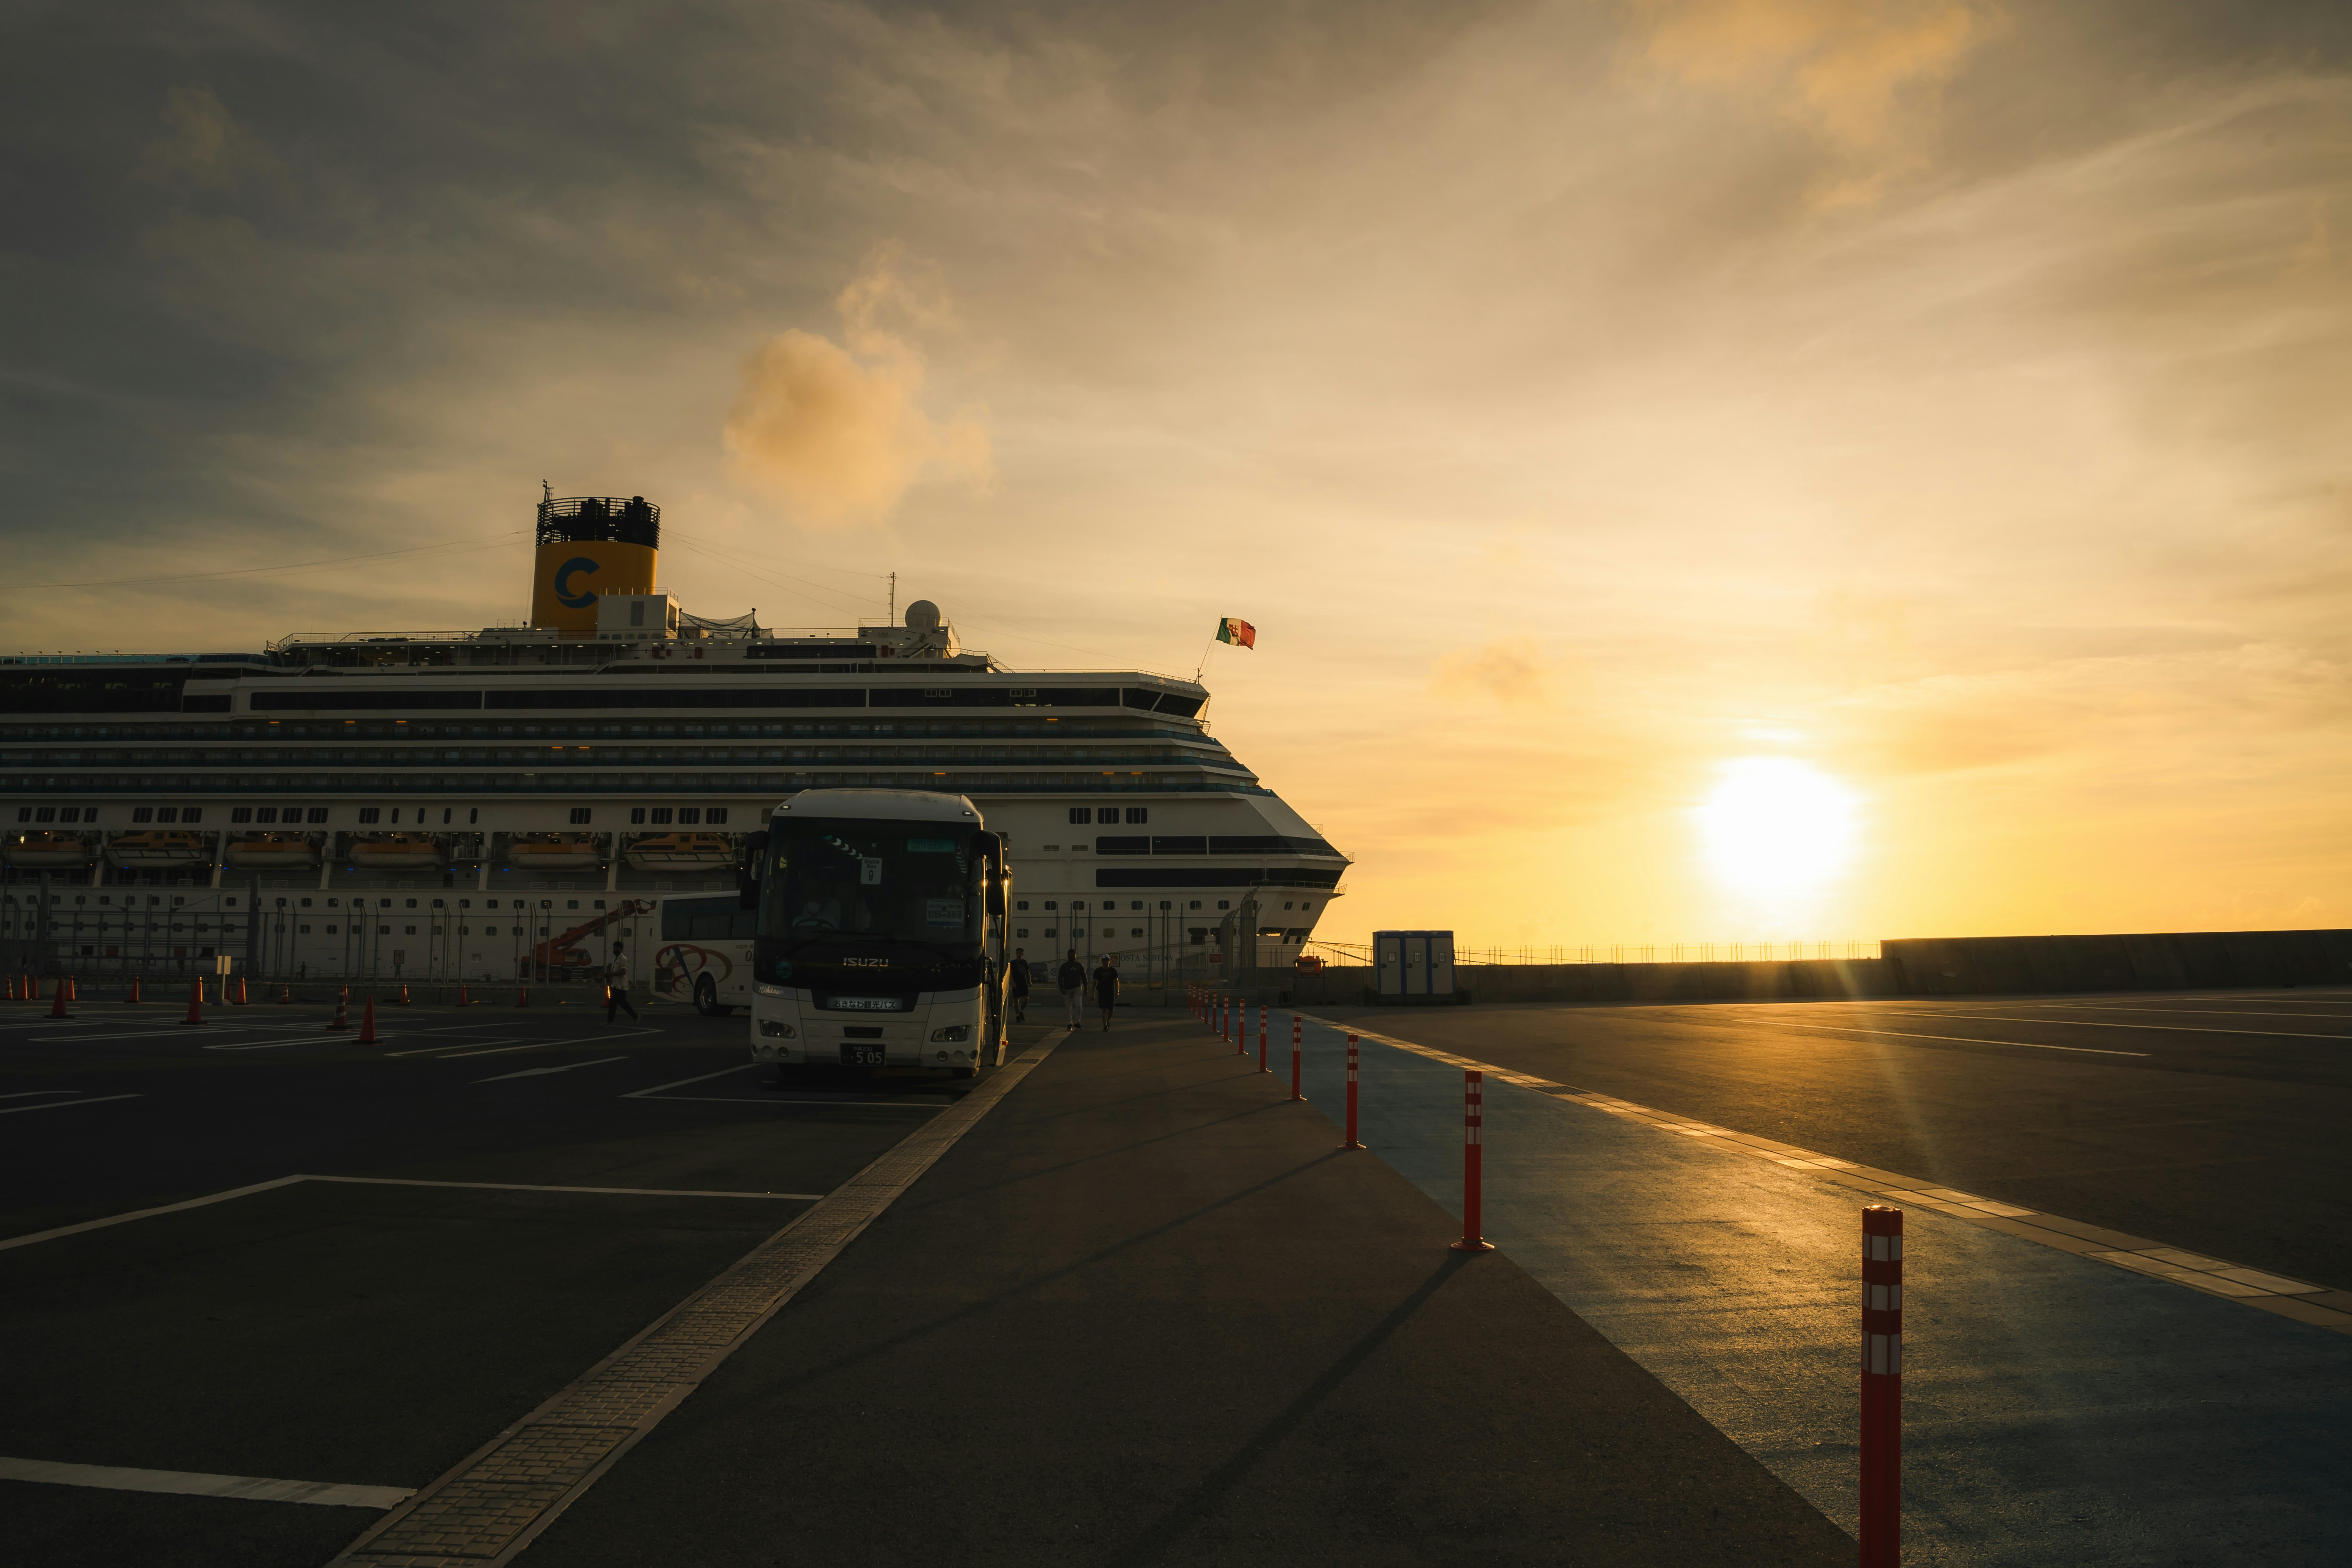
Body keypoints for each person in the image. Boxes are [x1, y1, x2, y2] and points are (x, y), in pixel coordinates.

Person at [606, 941, 638, 1022]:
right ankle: (610, 1021)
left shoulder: (623, 959)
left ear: (621, 949)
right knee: (615, 1004)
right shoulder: (615, 959)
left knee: (620, 1003)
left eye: (617, 949)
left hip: (621, 987)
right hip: (615, 986)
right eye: (614, 949)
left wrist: (611, 974)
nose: (615, 950)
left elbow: (624, 972)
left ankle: (636, 1016)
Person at [1056, 949, 1085, 1028]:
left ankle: (1077, 1023)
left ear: (1076, 956)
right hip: (1067, 989)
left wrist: (1086, 988)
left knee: (1078, 1005)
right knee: (1068, 1007)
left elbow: (1084, 977)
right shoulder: (1064, 966)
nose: (1072, 957)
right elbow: (1060, 978)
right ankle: (1069, 1023)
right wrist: (1062, 988)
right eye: (1070, 956)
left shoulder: (1079, 965)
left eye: (1074, 956)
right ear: (1068, 956)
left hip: (1077, 988)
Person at [1093, 953, 1120, 1031]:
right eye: (1104, 960)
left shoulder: (1113, 971)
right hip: (1102, 992)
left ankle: (1107, 1021)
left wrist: (1117, 991)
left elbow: (1116, 982)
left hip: (1110, 992)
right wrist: (1092, 994)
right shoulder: (1098, 971)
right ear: (1102, 961)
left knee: (1111, 1010)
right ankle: (1105, 1026)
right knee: (1104, 1009)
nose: (1106, 962)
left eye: (1107, 960)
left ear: (1109, 961)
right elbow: (1094, 982)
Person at [1008, 947, 1031, 1024]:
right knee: (1016, 999)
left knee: (1026, 999)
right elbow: (1011, 974)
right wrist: (1013, 983)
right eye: (1018, 953)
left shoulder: (1025, 962)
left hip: (1024, 983)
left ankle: (1021, 1011)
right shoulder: (1013, 963)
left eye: (1020, 954)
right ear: (1016, 954)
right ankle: (1017, 1015)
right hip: (1016, 984)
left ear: (1022, 954)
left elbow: (1028, 972)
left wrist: (1030, 981)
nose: (1019, 955)